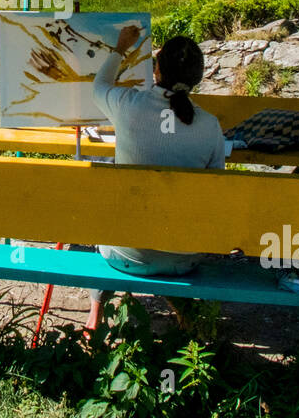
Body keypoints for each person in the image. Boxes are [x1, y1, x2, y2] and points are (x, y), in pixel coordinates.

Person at [85, 24, 227, 325]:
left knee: (106, 216)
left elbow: (98, 86)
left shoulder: (127, 106)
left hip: (128, 255)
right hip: (185, 259)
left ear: (156, 70)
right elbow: (215, 190)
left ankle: (95, 314)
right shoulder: (210, 125)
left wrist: (120, 48)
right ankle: (184, 312)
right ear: (198, 77)